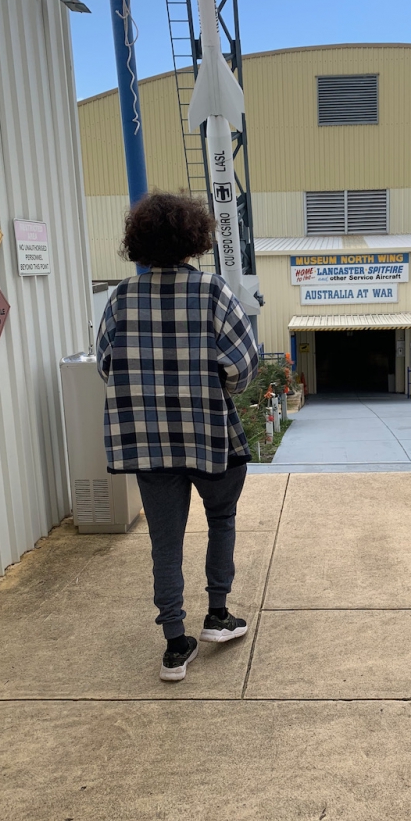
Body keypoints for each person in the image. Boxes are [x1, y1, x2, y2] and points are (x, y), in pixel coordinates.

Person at [97, 192, 259, 682]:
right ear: (195, 238)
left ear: (138, 241)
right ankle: (217, 615)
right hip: (210, 436)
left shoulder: (121, 298)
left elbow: (107, 365)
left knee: (164, 542)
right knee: (221, 519)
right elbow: (243, 366)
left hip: (149, 443)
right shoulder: (212, 292)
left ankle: (174, 646)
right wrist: (213, 386)